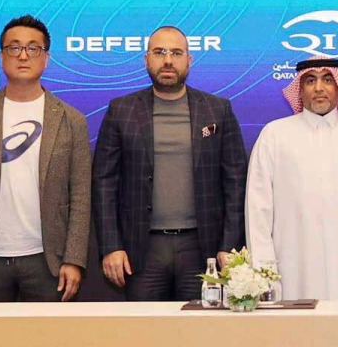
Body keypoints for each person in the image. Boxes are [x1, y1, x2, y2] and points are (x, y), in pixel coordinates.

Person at [92, 25, 247, 301]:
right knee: (145, 327)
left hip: (203, 250)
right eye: (159, 52)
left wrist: (229, 246)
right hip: (141, 251)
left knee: (200, 326)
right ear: (146, 59)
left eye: (176, 53)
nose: (167, 60)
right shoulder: (121, 110)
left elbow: (235, 183)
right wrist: (111, 246)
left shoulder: (218, 109)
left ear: (189, 60)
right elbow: (104, 183)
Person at [0, 14, 91, 303]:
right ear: (2, 56)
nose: (23, 55)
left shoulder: (72, 120)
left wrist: (74, 259)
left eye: (33, 48)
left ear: (46, 59)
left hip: (48, 260)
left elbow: (81, 197)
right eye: (14, 47)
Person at [245, 55, 338, 299]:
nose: (319, 88)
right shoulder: (275, 135)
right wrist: (263, 270)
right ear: (300, 90)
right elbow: (258, 208)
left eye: (327, 80)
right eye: (310, 81)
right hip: (293, 265)